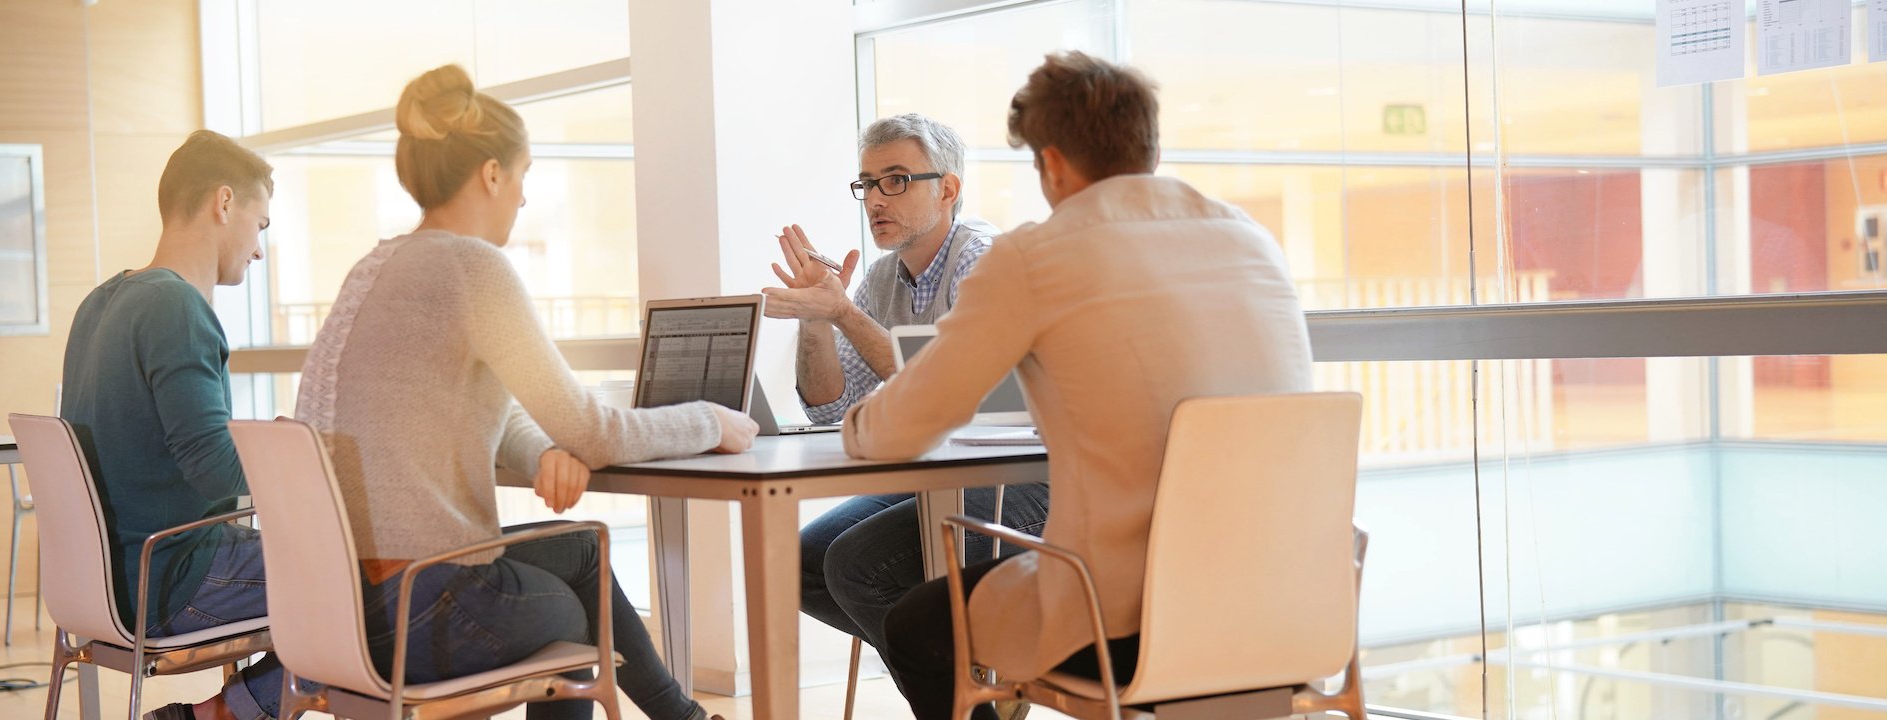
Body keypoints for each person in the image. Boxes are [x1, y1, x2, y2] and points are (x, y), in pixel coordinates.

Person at [852, 52, 1315, 720]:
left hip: (1126, 618)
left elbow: (902, 427)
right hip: (1290, 603)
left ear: (1054, 163)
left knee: (915, 625)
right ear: (1145, 144)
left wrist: (855, 424)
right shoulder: (1251, 239)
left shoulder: (1035, 255)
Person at [293, 64, 756, 720]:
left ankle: (684, 718)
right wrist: (711, 419)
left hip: (332, 605)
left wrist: (542, 451)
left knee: (578, 549)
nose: (523, 198)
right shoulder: (471, 266)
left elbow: (486, 399)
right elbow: (593, 430)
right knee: (571, 616)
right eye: (524, 175)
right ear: (490, 174)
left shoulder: (376, 266)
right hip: (417, 606)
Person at [760, 114, 1049, 655]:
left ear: (948, 189)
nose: (875, 200)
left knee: (854, 567)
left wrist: (843, 311)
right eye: (867, 184)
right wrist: (817, 320)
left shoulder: (984, 260)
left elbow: (948, 390)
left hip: (1026, 475)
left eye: (895, 180)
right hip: (937, 474)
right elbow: (831, 408)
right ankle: (969, 675)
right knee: (799, 565)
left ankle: (970, 679)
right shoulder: (882, 277)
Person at [59, 130, 280, 720]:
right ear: (224, 202)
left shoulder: (102, 302)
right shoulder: (177, 308)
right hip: (172, 578)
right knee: (368, 587)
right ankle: (220, 715)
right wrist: (291, 453)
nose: (259, 251)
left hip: (101, 584)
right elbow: (214, 474)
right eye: (261, 226)